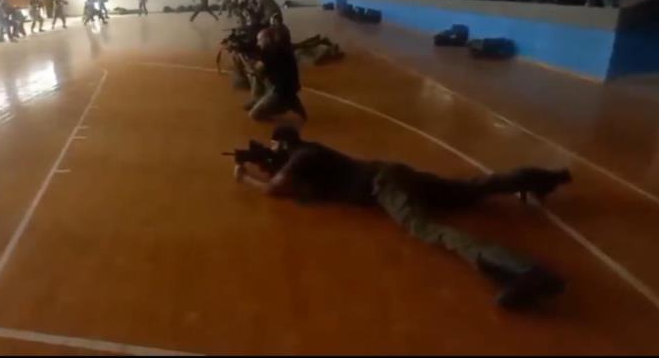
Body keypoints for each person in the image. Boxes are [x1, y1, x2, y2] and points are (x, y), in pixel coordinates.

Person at [233, 125, 572, 310]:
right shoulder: (311, 153)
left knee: (430, 229)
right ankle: (544, 178)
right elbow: (302, 187)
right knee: (467, 190)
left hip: (383, 186)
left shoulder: (301, 156)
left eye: (274, 148)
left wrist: (246, 178)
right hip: (391, 173)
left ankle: (525, 271)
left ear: (283, 146)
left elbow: (276, 189)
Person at [244, 27, 307, 122]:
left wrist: (244, 59)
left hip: (280, 91)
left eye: (259, 40)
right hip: (290, 87)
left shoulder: (269, 52)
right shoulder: (279, 49)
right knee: (258, 77)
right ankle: (290, 100)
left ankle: (287, 104)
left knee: (254, 115)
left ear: (267, 39)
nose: (258, 43)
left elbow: (256, 70)